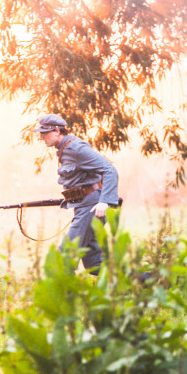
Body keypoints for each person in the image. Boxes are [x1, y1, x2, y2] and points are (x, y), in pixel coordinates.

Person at [33, 114, 119, 273]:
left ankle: (62, 297)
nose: (41, 137)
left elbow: (109, 170)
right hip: (85, 206)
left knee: (63, 259)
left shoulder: (75, 148)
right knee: (96, 265)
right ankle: (152, 281)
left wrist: (105, 201)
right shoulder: (64, 149)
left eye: (44, 133)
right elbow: (82, 181)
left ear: (57, 131)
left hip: (92, 208)